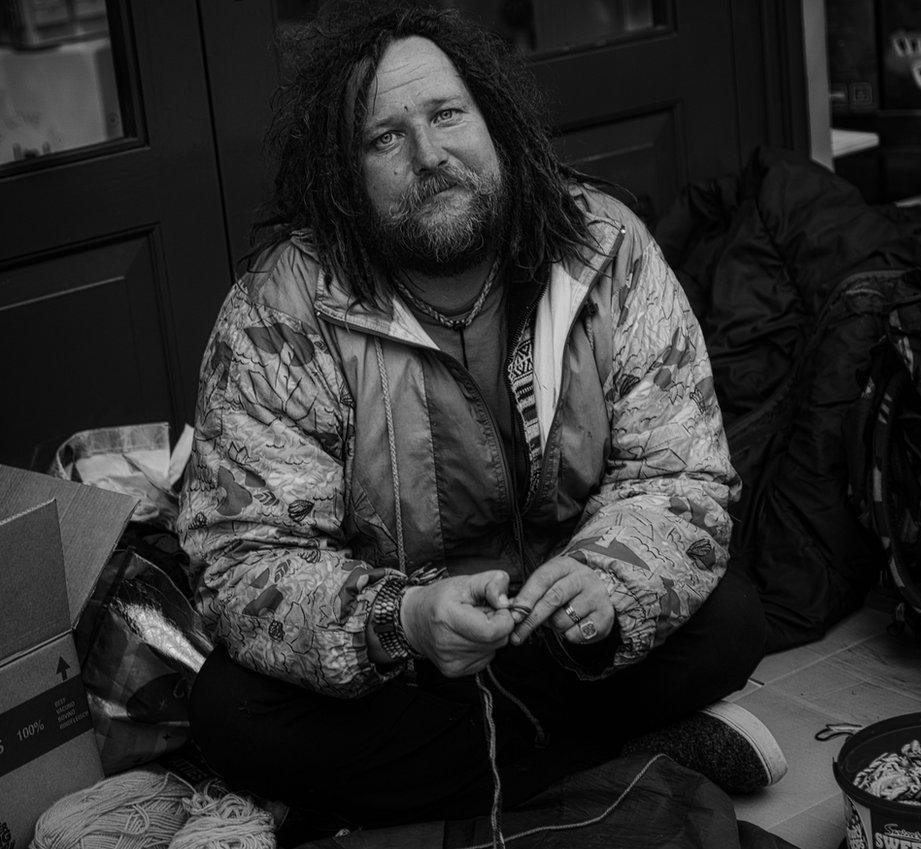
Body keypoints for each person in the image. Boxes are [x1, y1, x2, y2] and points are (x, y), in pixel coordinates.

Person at [177, 3, 786, 832]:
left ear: (493, 123)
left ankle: (455, 781)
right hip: (411, 663)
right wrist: (402, 620)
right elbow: (242, 560)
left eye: (445, 114)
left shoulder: (604, 248)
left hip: (561, 634)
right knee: (229, 711)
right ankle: (628, 752)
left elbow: (682, 472)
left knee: (731, 621)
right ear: (342, 177)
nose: (429, 156)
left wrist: (610, 574)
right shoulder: (281, 311)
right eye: (383, 138)